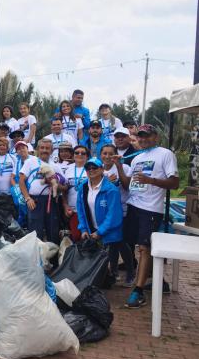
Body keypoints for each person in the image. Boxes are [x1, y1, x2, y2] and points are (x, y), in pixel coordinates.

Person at [124, 124, 179, 308]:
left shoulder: (165, 154)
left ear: (156, 136)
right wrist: (117, 165)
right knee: (130, 243)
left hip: (151, 209)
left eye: (147, 136)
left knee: (144, 248)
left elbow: (175, 183)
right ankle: (158, 280)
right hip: (133, 206)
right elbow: (128, 184)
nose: (143, 139)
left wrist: (151, 181)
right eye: (140, 136)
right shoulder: (137, 157)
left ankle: (138, 292)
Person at [76, 158, 128, 287]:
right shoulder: (83, 187)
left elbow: (114, 215)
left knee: (110, 262)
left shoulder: (111, 189)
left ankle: (125, 275)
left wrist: (100, 232)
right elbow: (80, 210)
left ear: (102, 170)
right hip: (92, 229)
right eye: (88, 168)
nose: (91, 170)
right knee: (96, 262)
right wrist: (83, 229)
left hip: (109, 232)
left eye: (95, 168)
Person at [100, 144, 135, 287]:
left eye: (111, 154)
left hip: (122, 209)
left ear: (116, 154)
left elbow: (128, 187)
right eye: (104, 153)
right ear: (100, 155)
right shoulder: (97, 169)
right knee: (111, 242)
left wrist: (119, 167)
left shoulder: (125, 168)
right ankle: (113, 272)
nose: (108, 157)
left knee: (121, 242)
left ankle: (131, 272)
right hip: (105, 211)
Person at [19, 138, 66, 244]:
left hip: (52, 201)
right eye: (42, 148)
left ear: (52, 150)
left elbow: (65, 186)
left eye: (47, 148)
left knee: (53, 230)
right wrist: (27, 198)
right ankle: (36, 258)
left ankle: (53, 259)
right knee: (35, 231)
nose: (45, 150)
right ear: (38, 149)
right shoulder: (30, 162)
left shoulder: (55, 166)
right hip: (34, 201)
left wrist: (55, 184)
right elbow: (21, 182)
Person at [62, 145, 89, 242]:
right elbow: (64, 191)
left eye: (83, 153)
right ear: (73, 155)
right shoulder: (67, 169)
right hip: (73, 210)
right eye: (77, 152)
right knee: (76, 237)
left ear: (87, 156)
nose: (80, 154)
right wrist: (65, 205)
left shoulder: (91, 168)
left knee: (89, 237)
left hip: (89, 209)